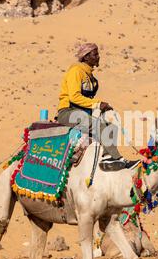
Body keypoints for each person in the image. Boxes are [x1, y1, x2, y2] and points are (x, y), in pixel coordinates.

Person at [57, 43, 139, 172]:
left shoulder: (92, 79)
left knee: (111, 128)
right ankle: (116, 157)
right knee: (98, 126)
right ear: (86, 57)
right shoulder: (76, 71)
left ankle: (107, 158)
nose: (98, 57)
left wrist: (101, 108)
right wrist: (98, 104)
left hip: (83, 114)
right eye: (95, 54)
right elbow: (74, 97)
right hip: (68, 112)